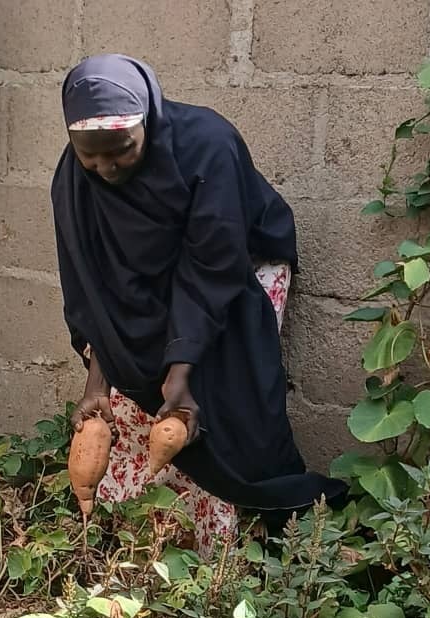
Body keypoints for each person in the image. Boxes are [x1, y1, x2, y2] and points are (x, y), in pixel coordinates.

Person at [51, 54, 347, 553]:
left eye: (121, 150)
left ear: (147, 121)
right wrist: (97, 378)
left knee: (221, 396)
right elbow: (91, 284)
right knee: (133, 408)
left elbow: (213, 263)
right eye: (91, 157)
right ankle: (153, 543)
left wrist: (181, 367)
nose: (106, 168)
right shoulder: (74, 181)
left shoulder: (207, 146)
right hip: (150, 288)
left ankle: (237, 549)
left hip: (238, 270)